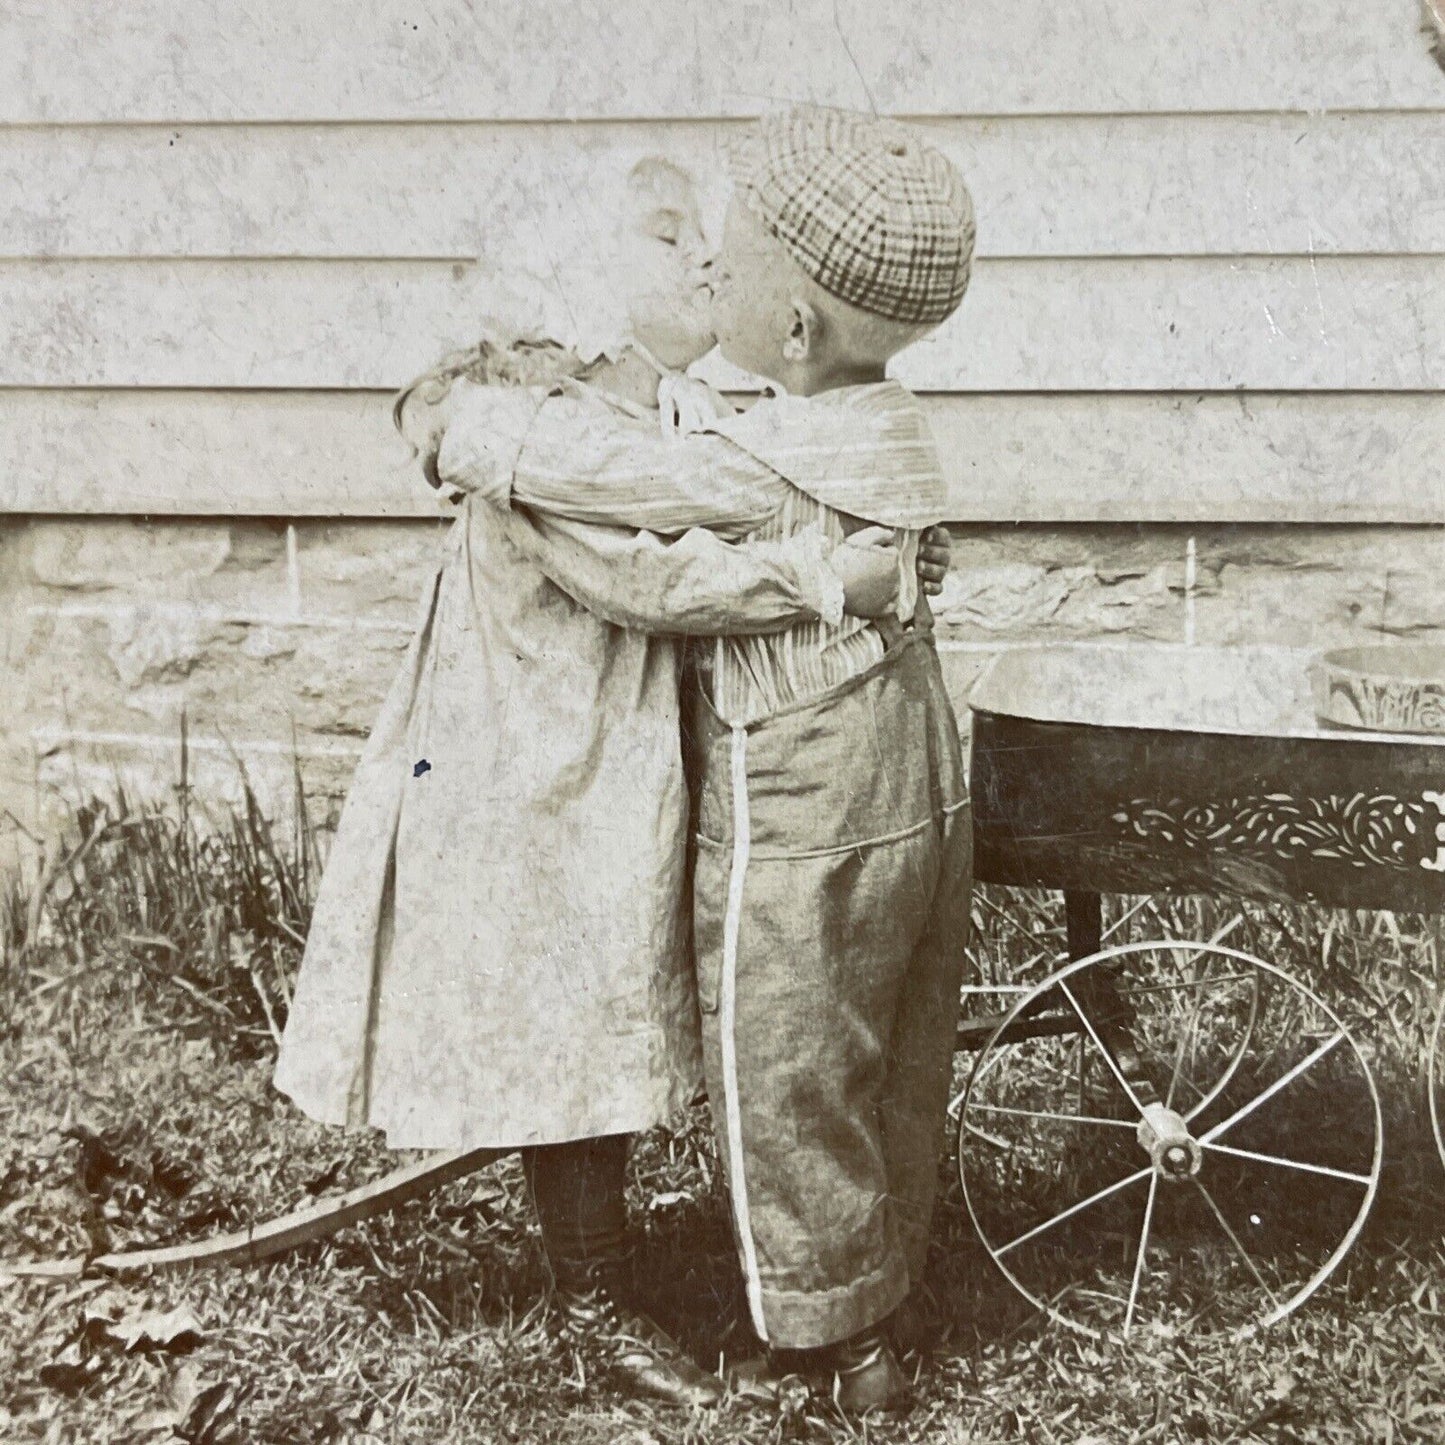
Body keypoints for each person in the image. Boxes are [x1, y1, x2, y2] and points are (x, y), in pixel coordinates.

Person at [273, 155, 951, 1408]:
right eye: (661, 235)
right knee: (574, 994)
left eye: (702, 230)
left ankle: (736, 1259)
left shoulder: (666, 407)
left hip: (623, 732)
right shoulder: (536, 429)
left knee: (635, 985)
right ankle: (586, 1292)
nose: (702, 254)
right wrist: (824, 577)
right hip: (537, 749)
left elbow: (735, 487)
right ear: (580, 286)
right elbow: (645, 581)